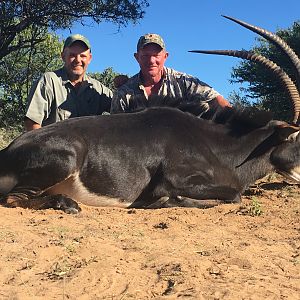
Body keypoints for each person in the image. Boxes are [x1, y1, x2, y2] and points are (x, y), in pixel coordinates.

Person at [110, 33, 230, 115]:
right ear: (137, 58)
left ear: (165, 57)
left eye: (156, 55)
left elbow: (215, 98)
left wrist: (235, 121)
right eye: (145, 56)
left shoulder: (184, 81)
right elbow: (115, 129)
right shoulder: (123, 93)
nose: (151, 61)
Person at [24, 34, 113, 131]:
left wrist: (123, 85)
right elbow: (32, 123)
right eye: (72, 55)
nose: (78, 60)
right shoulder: (49, 80)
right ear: (63, 56)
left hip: (90, 145)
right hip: (54, 144)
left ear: (89, 59)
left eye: (83, 56)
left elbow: (121, 111)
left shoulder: (98, 88)